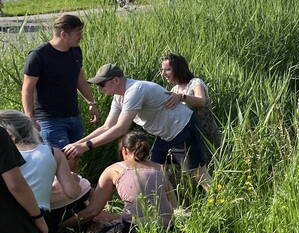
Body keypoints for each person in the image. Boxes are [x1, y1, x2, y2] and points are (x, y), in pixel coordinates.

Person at [65, 65, 210, 187]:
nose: (99, 88)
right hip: (165, 135)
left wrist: (86, 146)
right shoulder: (119, 97)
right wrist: (78, 144)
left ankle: (221, 202)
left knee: (198, 174)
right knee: (155, 172)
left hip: (182, 128)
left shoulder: (135, 90)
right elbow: (107, 126)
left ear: (116, 80)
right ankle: (172, 209)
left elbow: (121, 128)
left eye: (101, 84)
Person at [21, 14, 100, 158]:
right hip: (49, 119)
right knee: (62, 159)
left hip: (73, 116)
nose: (81, 37)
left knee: (75, 157)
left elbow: (79, 78)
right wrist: (29, 118)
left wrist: (91, 102)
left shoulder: (75, 51)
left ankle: (75, 181)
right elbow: (27, 89)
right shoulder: (38, 56)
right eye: (78, 34)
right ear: (63, 34)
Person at [0, 112, 81, 233]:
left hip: (10, 216)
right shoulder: (54, 152)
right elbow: (72, 192)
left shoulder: (5, 154)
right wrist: (75, 181)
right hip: (42, 217)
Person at [77, 133, 176, 233]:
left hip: (133, 228)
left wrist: (62, 224)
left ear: (124, 150)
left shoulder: (113, 169)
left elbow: (93, 211)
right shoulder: (159, 167)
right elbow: (174, 204)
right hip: (168, 227)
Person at [159, 53, 221, 151]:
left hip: (206, 135)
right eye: (162, 70)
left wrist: (181, 97)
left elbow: (201, 101)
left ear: (178, 69)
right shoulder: (174, 90)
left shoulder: (195, 82)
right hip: (189, 139)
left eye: (167, 69)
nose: (163, 74)